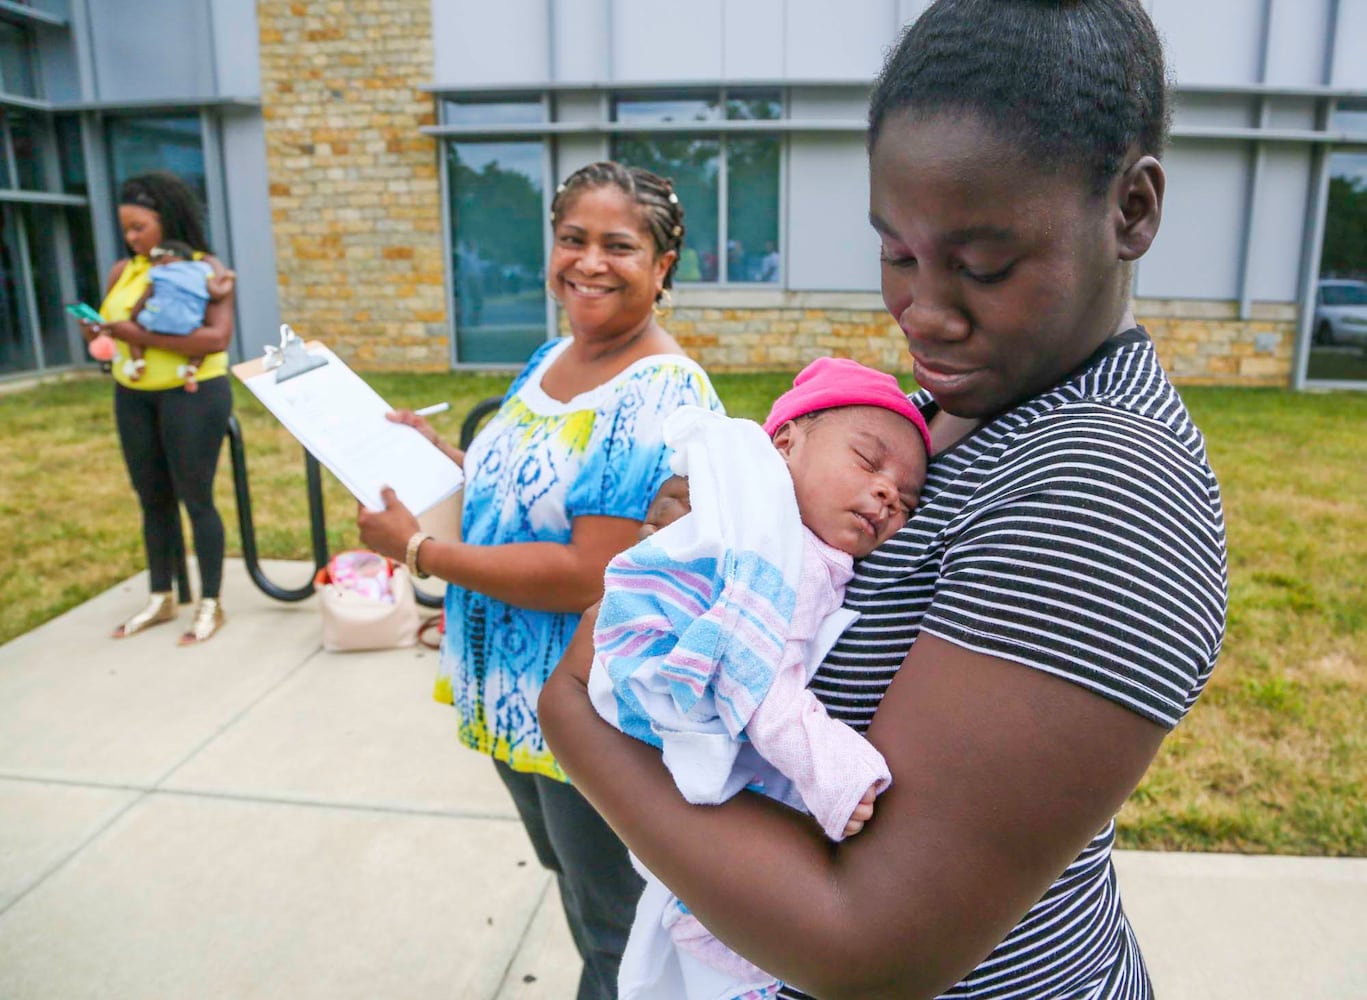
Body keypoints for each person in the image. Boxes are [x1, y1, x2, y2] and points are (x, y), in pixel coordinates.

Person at [540, 2, 1229, 998]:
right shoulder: (941, 409)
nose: (922, 312)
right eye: (896, 252)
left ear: (1130, 210)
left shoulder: (1104, 489)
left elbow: (872, 945)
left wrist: (574, 712)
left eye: (983, 265)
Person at [356, 161, 724, 1000]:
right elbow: (516, 492)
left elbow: (585, 568)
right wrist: (439, 459)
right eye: (573, 239)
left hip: (586, 713)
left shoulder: (658, 390)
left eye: (618, 246)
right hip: (511, 696)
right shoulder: (552, 355)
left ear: (662, 266)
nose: (589, 262)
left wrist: (419, 554)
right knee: (572, 881)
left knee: (614, 934)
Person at [590, 358, 932, 1000]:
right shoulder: (781, 552)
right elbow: (756, 681)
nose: (889, 494)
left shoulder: (783, 535)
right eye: (867, 460)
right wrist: (833, 769)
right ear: (785, 443)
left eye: (908, 499)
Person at [75, 171, 237, 646]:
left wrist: (136, 335)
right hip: (133, 394)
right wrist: (99, 333)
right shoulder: (121, 271)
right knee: (151, 498)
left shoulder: (205, 266)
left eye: (139, 228)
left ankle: (210, 602)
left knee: (197, 497)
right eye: (125, 229)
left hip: (193, 395)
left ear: (167, 221)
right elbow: (114, 326)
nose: (131, 238)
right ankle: (160, 595)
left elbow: (217, 338)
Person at [120, 240, 237, 392]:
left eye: (155, 260)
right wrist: (229, 279)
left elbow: (144, 297)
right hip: (187, 322)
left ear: (166, 258)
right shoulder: (202, 268)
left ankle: (138, 363)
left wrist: (133, 318)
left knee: (133, 336)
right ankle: (192, 370)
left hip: (155, 319)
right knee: (201, 348)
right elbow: (217, 293)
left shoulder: (157, 272)